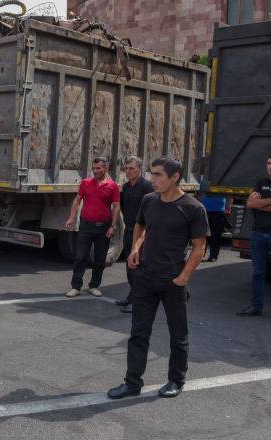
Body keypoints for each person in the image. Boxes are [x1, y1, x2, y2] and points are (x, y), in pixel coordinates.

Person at [107, 156, 209, 400]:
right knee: (138, 333)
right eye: (151, 174)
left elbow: (199, 247)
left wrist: (183, 278)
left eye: (158, 175)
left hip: (172, 281)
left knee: (178, 335)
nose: (152, 179)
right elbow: (141, 227)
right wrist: (135, 249)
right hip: (145, 278)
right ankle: (132, 383)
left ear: (174, 177)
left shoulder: (193, 208)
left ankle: (176, 380)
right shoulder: (149, 200)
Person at [237, 152, 271, 325]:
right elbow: (251, 204)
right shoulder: (261, 182)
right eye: (269, 163)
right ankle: (256, 306)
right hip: (258, 233)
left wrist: (264, 204)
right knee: (258, 272)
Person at [64, 157, 121, 298]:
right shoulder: (85, 183)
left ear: (105, 169)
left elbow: (116, 206)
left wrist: (113, 226)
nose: (95, 171)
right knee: (80, 257)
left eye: (98, 168)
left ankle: (94, 285)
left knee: (100, 259)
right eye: (94, 168)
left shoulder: (112, 186)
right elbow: (77, 200)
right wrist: (71, 218)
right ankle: (75, 286)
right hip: (86, 225)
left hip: (104, 227)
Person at [115, 156, 153, 313]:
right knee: (129, 267)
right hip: (129, 230)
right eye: (126, 168)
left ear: (139, 169)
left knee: (137, 268)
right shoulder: (125, 187)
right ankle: (132, 296)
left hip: (143, 232)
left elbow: (151, 212)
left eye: (131, 168)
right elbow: (123, 208)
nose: (128, 171)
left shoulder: (147, 187)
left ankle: (137, 301)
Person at [198, 187, 232, 262]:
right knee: (202, 235)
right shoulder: (205, 181)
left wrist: (228, 207)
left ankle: (213, 255)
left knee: (216, 235)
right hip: (204, 210)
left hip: (218, 211)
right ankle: (199, 255)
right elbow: (199, 194)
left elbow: (229, 195)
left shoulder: (224, 181)